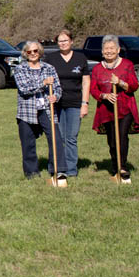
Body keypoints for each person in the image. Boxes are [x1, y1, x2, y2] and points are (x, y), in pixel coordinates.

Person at [89, 35, 139, 181]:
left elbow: (134, 86)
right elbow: (93, 89)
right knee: (112, 140)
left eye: (112, 48)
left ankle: (123, 167)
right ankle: (114, 165)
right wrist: (104, 96)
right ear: (102, 51)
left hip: (125, 108)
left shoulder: (127, 65)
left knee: (122, 136)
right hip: (106, 110)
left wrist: (120, 83)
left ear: (118, 50)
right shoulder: (98, 69)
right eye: (106, 49)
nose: (109, 51)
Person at [13, 40, 65, 180]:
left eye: (35, 51)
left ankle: (58, 170)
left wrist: (56, 96)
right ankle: (32, 173)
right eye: (29, 52)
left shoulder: (49, 68)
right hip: (27, 111)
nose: (33, 54)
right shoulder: (20, 69)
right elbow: (24, 88)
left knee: (56, 139)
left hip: (47, 109)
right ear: (25, 54)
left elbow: (58, 87)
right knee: (28, 142)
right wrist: (43, 83)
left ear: (40, 52)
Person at [45, 30, 91, 177]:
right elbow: (44, 78)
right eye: (60, 41)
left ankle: (71, 169)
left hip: (75, 103)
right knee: (58, 137)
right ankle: (59, 167)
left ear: (71, 41)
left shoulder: (80, 58)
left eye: (65, 40)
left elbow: (86, 82)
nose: (63, 43)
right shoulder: (51, 58)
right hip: (56, 103)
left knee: (71, 137)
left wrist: (85, 103)